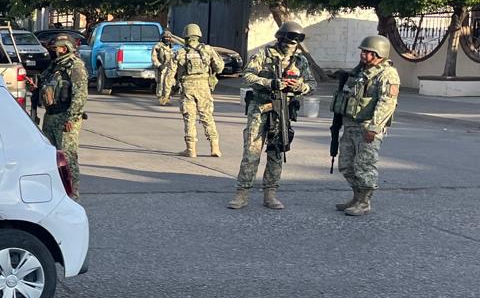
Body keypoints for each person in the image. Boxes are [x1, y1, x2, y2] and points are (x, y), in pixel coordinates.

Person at [228, 20, 315, 210]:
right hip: (260, 108)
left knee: (277, 151)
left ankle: (270, 193)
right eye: (287, 43)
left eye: (294, 44)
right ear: (280, 39)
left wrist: (300, 87)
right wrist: (270, 83)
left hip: (283, 110)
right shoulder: (263, 54)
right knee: (251, 152)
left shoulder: (300, 60)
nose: (290, 47)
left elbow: (312, 85)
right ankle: (242, 193)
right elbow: (247, 77)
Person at [334, 34, 400, 216]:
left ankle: (364, 202)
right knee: (346, 165)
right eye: (363, 51)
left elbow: (387, 102)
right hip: (351, 125)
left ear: (379, 54)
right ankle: (356, 197)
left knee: (364, 166)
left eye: (368, 52)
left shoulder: (387, 74)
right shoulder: (361, 71)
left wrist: (374, 127)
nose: (363, 55)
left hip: (368, 128)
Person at [39, 36, 88, 199]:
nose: (53, 51)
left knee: (68, 157)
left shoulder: (75, 66)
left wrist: (72, 118)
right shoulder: (54, 66)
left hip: (65, 117)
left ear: (65, 48)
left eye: (56, 48)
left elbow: (80, 94)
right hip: (51, 116)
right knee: (51, 157)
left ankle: (72, 194)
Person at [168, 24, 223, 157]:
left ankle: (191, 149)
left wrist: (168, 91)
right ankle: (214, 147)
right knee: (207, 117)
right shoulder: (207, 50)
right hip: (204, 87)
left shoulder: (180, 53)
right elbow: (220, 67)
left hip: (187, 88)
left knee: (189, 118)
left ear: (185, 36)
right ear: (198, 35)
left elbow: (170, 73)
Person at [152, 30, 178, 101]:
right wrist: (159, 65)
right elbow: (154, 57)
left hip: (171, 68)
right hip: (162, 67)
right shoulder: (158, 46)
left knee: (171, 83)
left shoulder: (171, 47)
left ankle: (168, 96)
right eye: (165, 37)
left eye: (168, 38)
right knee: (161, 83)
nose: (167, 39)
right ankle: (161, 98)